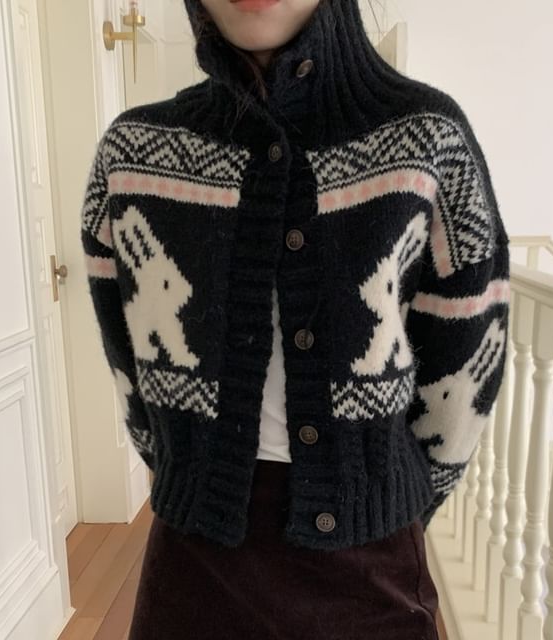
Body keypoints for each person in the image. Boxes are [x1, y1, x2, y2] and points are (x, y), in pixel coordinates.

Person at [80, 0, 511, 638]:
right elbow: (129, 366)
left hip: (371, 565)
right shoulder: (133, 153)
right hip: (194, 559)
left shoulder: (430, 139)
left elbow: (466, 360)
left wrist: (387, 495)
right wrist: (187, 468)